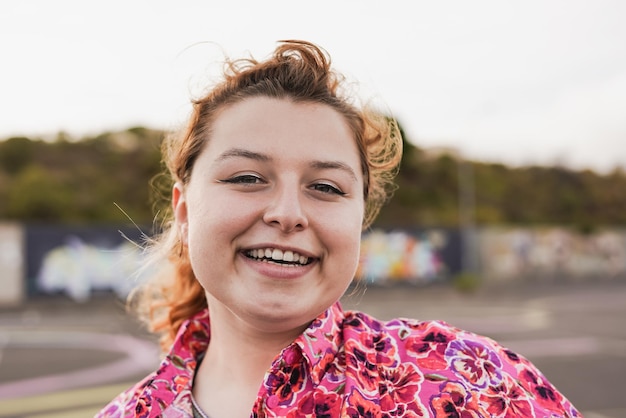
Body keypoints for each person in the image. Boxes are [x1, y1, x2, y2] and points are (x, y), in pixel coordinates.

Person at [97, 40, 581, 418]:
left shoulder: (469, 381)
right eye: (247, 178)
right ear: (183, 209)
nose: (288, 213)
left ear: (360, 218)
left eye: (326, 187)